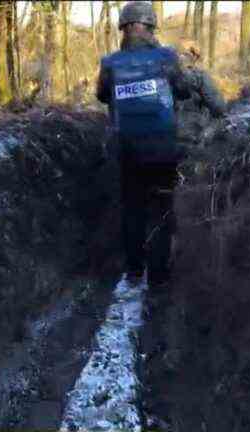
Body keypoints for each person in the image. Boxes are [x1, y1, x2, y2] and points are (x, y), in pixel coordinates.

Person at [95, 1, 191, 286]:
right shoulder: (167, 57)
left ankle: (135, 270)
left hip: (127, 149)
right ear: (150, 27)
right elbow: (183, 90)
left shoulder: (110, 63)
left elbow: (102, 96)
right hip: (163, 148)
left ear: (123, 29)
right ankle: (159, 277)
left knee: (132, 208)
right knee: (162, 207)